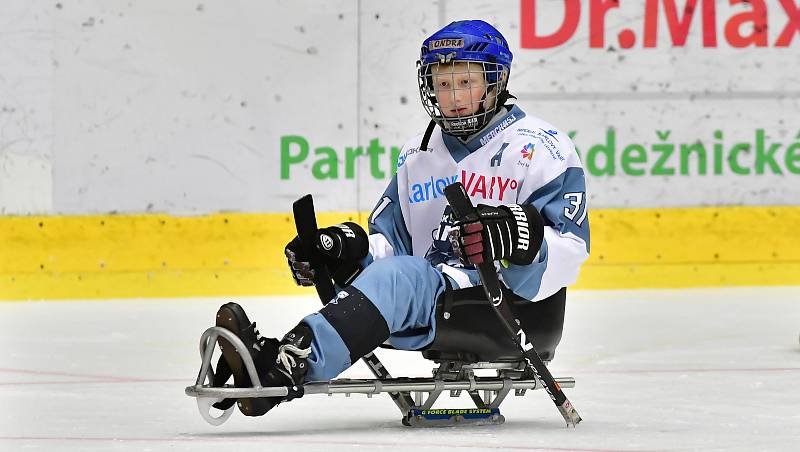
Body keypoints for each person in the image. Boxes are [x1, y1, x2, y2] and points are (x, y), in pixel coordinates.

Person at [214, 20, 590, 417]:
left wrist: (523, 239)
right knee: (394, 274)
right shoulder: (419, 153)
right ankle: (272, 364)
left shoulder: (541, 147)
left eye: (466, 82)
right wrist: (343, 248)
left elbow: (572, 247)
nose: (454, 97)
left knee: (401, 278)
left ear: (496, 82)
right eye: (443, 85)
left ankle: (279, 367)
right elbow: (392, 243)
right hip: (434, 298)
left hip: (512, 306)